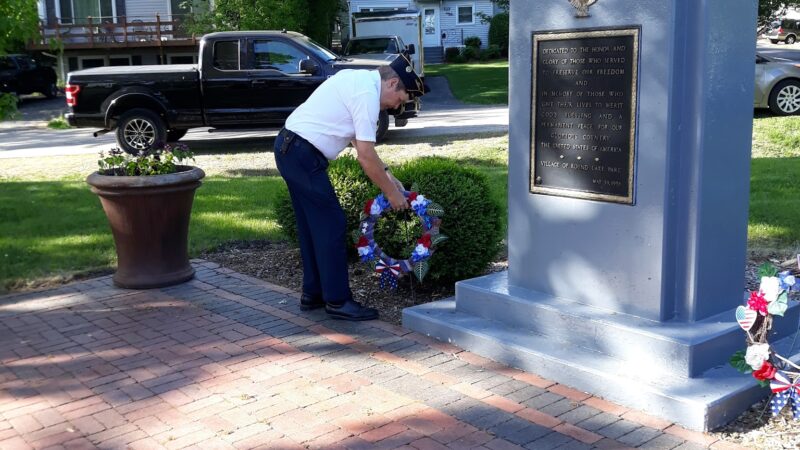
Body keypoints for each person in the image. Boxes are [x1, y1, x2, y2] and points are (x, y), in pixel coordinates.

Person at [274, 55, 428, 321]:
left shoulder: (358, 80)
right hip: (301, 153)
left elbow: (358, 141)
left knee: (312, 226)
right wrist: (392, 194)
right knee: (332, 223)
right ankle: (337, 301)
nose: (395, 107)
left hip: (290, 149)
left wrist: (389, 178)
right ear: (392, 83)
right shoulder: (367, 95)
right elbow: (365, 156)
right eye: (400, 100)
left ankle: (313, 294)